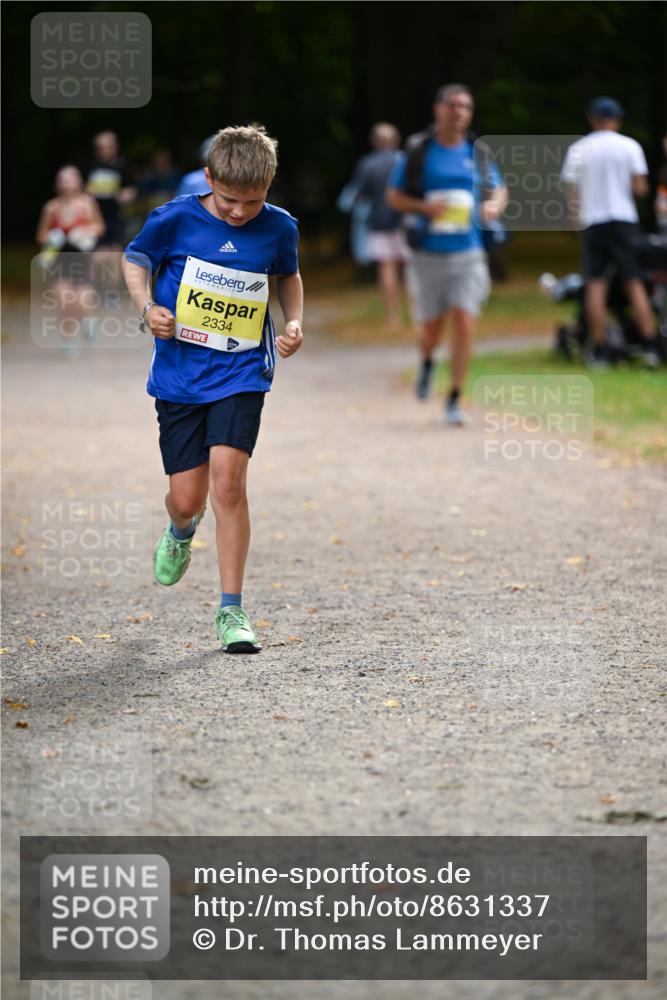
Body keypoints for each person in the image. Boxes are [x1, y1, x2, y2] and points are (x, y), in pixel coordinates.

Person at [122, 125, 303, 654]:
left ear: (269, 186)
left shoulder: (279, 228)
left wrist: (294, 322)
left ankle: (232, 610)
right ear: (208, 179)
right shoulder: (174, 217)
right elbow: (135, 260)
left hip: (241, 372)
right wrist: (147, 309)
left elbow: (288, 276)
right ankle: (180, 531)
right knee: (187, 498)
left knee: (229, 486)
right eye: (229, 200)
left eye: (254, 200)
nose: (241, 212)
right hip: (179, 375)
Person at [387, 84, 507, 425]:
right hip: (427, 254)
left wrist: (493, 207)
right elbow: (394, 197)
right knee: (431, 330)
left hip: (468, 253)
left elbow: (498, 189)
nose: (459, 111)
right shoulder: (418, 150)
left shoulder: (476, 151)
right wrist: (424, 207)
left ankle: (454, 398)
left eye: (466, 106)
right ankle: (427, 362)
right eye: (453, 105)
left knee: (466, 321)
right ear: (438, 109)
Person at [561, 98, 658, 367]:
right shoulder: (629, 146)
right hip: (624, 221)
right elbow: (640, 189)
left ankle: (600, 349)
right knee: (633, 281)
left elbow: (572, 193)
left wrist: (574, 221)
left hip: (593, 221)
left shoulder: (579, 149)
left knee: (594, 284)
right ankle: (650, 345)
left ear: (592, 119)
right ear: (617, 119)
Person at [36, 165, 105, 357]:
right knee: (64, 301)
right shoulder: (52, 207)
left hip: (83, 260)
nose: (67, 183)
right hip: (59, 261)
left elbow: (100, 226)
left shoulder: (87, 203)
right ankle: (69, 340)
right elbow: (40, 234)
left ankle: (87, 320)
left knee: (84, 301)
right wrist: (51, 236)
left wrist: (86, 233)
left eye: (71, 178)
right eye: (63, 179)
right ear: (58, 183)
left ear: (78, 181)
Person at [344, 123, 408, 328]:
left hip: (378, 223)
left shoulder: (367, 164)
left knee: (387, 267)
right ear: (395, 141)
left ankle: (394, 316)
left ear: (374, 142)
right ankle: (418, 314)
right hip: (407, 222)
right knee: (411, 268)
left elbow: (357, 195)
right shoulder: (405, 161)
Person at [86, 131, 137, 247]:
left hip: (117, 215)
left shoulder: (123, 165)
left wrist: (120, 195)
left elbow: (132, 190)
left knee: (115, 246)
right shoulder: (90, 165)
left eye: (107, 147)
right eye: (100, 148)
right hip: (95, 214)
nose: (104, 151)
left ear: (115, 147)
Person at [138, 148, 181, 215]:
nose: (161, 160)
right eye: (158, 158)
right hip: (152, 209)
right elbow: (143, 195)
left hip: (170, 209)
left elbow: (179, 194)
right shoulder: (148, 176)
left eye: (164, 158)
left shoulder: (175, 175)